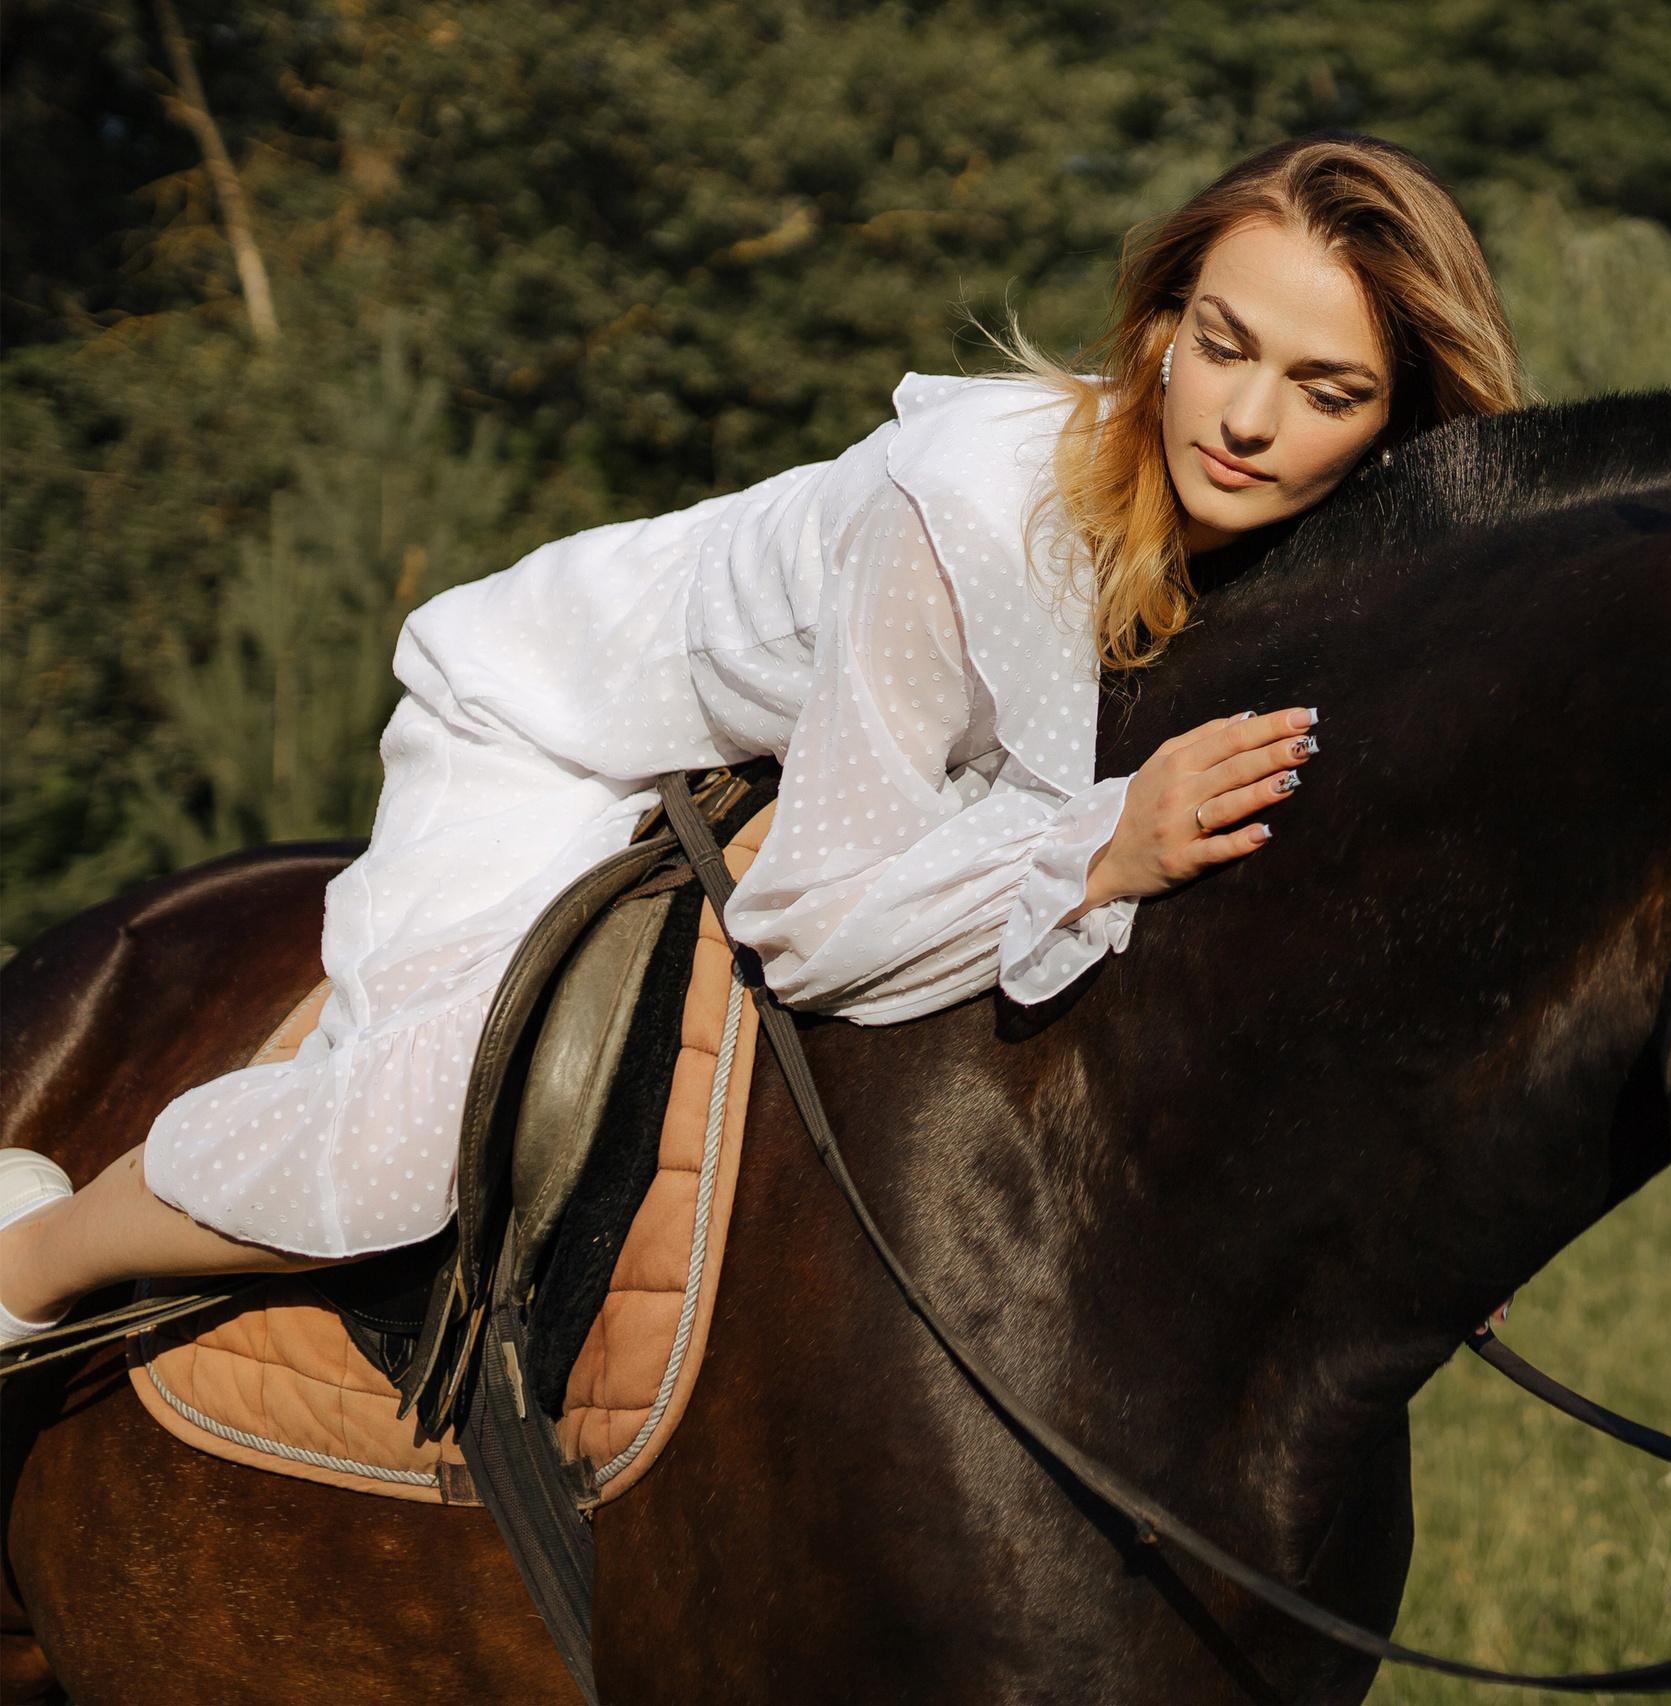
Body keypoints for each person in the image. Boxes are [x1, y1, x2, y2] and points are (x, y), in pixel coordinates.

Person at [0, 133, 1524, 1341]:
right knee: (419, 1128)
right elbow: (804, 920)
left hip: (779, 749)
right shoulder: (969, 521)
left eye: (1326, 391)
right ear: (1166, 318)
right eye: (1223, 341)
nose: (1246, 419)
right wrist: (1104, 846)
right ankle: (35, 1260)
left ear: (1394, 426)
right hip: (553, 722)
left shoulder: (1279, 534)